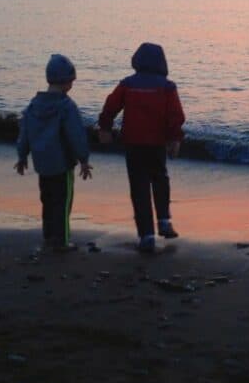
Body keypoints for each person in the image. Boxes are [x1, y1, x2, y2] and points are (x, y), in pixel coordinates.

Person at [98, 43, 185, 253]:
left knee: (139, 189)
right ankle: (164, 220)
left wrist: (105, 128)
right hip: (156, 144)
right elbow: (176, 117)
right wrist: (175, 139)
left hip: (133, 144)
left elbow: (110, 106)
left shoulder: (128, 84)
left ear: (136, 61)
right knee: (160, 179)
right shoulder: (167, 87)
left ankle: (146, 235)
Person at [15, 54, 93, 252]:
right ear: (66, 81)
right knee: (63, 203)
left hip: (42, 164)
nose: (72, 85)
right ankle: (62, 241)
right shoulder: (66, 106)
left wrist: (22, 155)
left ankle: (49, 236)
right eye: (72, 81)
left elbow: (25, 131)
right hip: (62, 164)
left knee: (47, 202)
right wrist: (83, 158)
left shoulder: (34, 105)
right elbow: (76, 134)